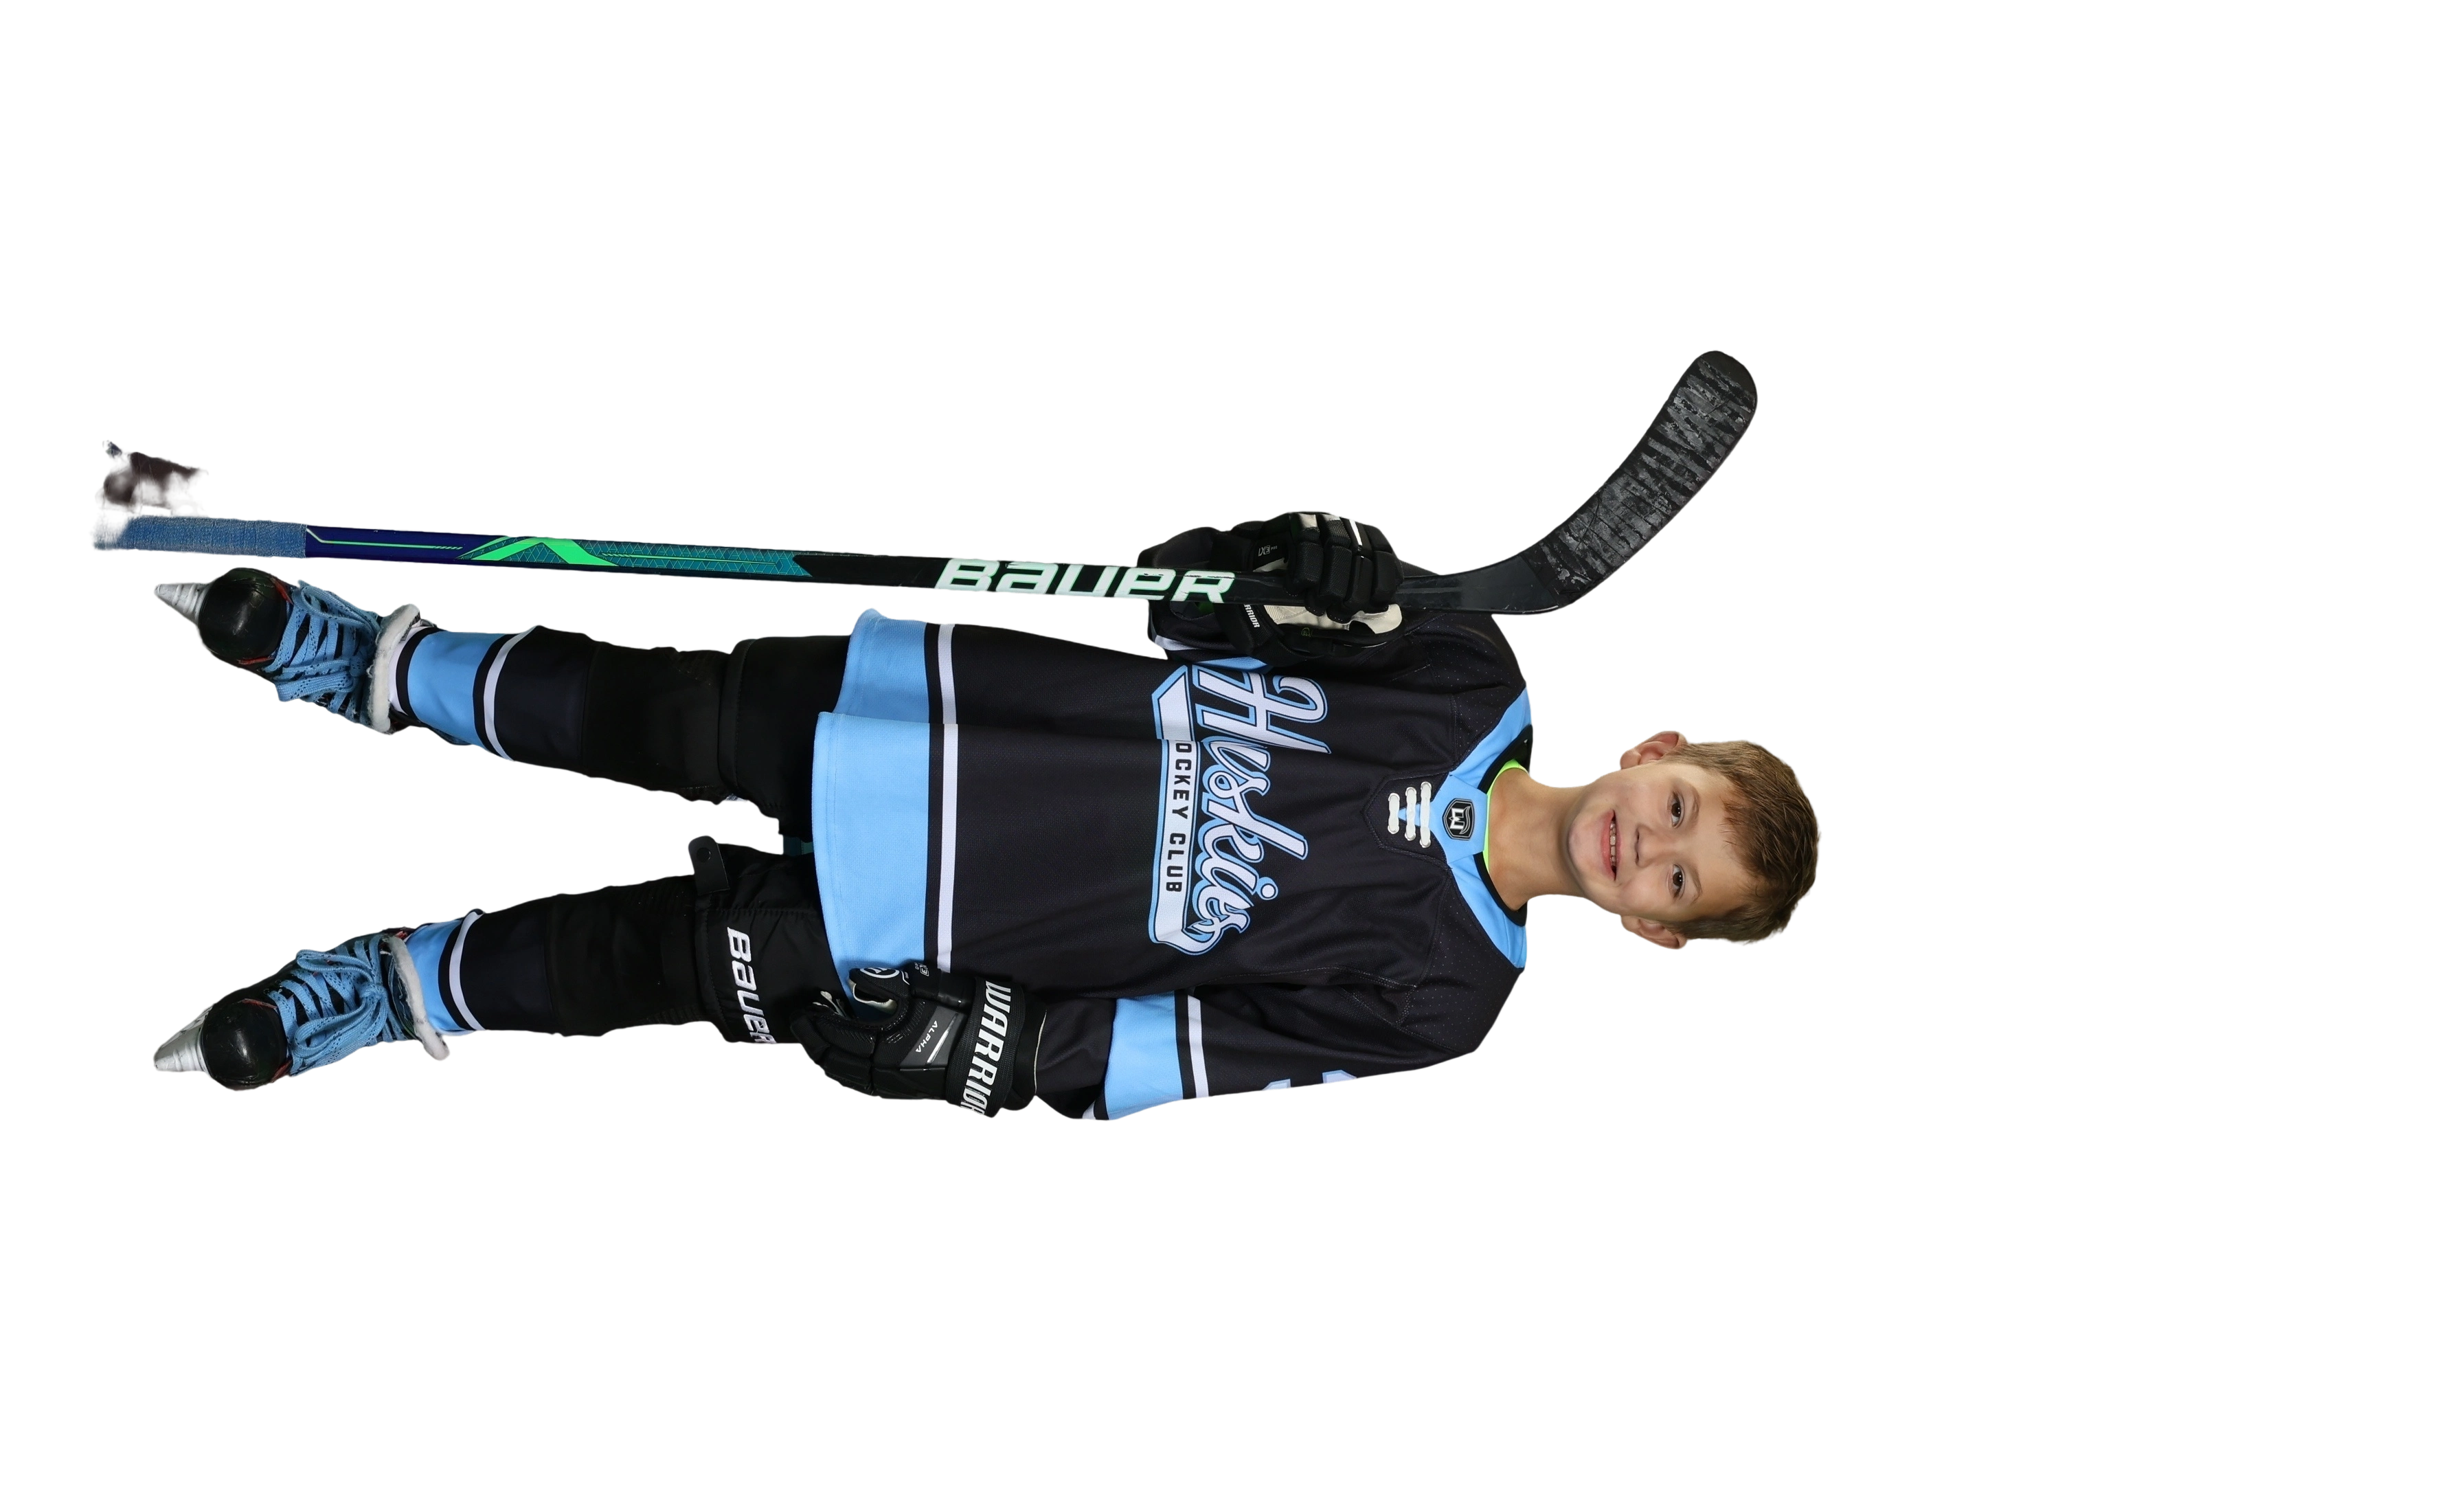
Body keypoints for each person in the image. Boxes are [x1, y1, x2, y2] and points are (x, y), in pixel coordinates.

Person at [147, 511, 1824, 1120]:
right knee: (619, 704)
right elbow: (1187, 603)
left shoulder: (1448, 1000)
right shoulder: (1463, 667)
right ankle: (376, 663)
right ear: (1657, 744)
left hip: (936, 933)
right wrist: (1291, 558)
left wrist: (995, 1058)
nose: (1649, 842)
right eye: (1678, 805)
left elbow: (1191, 1050)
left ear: (1656, 929)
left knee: (629, 964)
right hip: (941, 720)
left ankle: (386, 996)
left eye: (1680, 877)